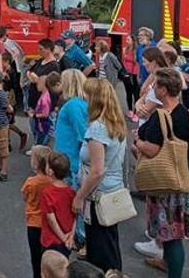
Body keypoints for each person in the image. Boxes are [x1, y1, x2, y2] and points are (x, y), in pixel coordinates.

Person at [132, 67, 189, 276]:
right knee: (171, 231)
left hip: (166, 181)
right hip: (180, 176)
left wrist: (137, 142)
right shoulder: (182, 112)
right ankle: (168, 262)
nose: (151, 88)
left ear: (163, 90)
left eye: (155, 85)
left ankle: (174, 271)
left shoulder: (162, 116)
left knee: (171, 233)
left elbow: (152, 149)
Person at [73, 79, 126, 273]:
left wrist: (80, 196)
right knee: (110, 244)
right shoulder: (115, 123)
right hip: (112, 191)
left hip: (98, 196)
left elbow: (97, 170)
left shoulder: (97, 128)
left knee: (100, 249)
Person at [54, 69, 89, 250]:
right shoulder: (80, 103)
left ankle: (79, 238)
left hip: (71, 161)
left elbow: (82, 135)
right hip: (70, 160)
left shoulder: (73, 105)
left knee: (74, 204)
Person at [23, 145, 54, 278]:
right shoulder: (52, 181)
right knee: (47, 254)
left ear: (35, 163)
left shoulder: (31, 182)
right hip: (48, 222)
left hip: (33, 222)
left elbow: (25, 196)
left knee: (35, 256)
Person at [40, 152, 76, 258]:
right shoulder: (71, 192)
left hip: (51, 239)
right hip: (68, 238)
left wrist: (62, 237)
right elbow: (75, 216)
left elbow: (51, 219)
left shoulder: (47, 193)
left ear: (50, 171)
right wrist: (71, 236)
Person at [27, 40, 62, 148]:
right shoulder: (40, 61)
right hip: (34, 101)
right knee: (34, 126)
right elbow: (29, 71)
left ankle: (41, 148)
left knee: (45, 128)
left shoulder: (54, 66)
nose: (39, 51)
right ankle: (37, 144)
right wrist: (31, 76)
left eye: (41, 49)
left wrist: (36, 79)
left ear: (48, 49)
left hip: (45, 104)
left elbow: (49, 82)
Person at [34, 72, 61, 147]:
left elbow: (45, 114)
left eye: (38, 84)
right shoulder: (43, 95)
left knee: (42, 144)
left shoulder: (45, 97)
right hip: (41, 125)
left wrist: (34, 115)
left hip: (43, 126)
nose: (37, 86)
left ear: (44, 85)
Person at [120, 35, 140, 116]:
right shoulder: (125, 49)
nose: (126, 41)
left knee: (135, 93)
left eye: (128, 39)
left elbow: (137, 63)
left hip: (134, 74)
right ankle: (130, 110)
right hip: (126, 74)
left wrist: (135, 74)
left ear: (132, 41)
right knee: (128, 92)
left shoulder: (136, 51)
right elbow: (123, 62)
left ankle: (136, 112)